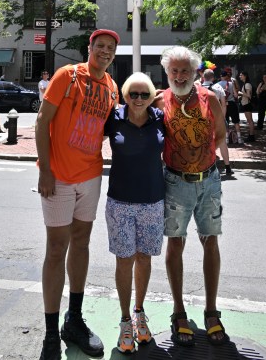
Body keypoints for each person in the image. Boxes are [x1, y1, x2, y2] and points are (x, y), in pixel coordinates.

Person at [35, 29, 120, 360]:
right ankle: (49, 334)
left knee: (82, 244)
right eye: (100, 46)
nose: (104, 51)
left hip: (90, 176)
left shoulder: (111, 87)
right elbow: (43, 121)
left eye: (110, 48)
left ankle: (74, 320)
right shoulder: (67, 76)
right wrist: (44, 169)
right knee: (56, 249)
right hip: (57, 178)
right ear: (90, 48)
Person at [154, 46, 228, 347]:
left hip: (208, 180)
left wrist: (216, 160)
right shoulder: (159, 101)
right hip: (175, 181)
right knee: (175, 243)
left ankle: (211, 311)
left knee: (210, 240)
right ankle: (179, 311)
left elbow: (220, 134)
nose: (180, 75)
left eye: (185, 70)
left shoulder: (210, 99)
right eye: (175, 71)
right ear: (167, 72)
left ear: (196, 72)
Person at [104, 72, 165, 353]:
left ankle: (140, 313)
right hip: (120, 202)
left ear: (151, 96)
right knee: (124, 260)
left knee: (144, 258)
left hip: (152, 201)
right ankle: (125, 320)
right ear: (125, 96)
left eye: (144, 94)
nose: (138, 99)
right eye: (133, 94)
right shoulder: (113, 118)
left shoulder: (160, 118)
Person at [202, 69, 233, 176]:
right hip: (217, 119)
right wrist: (222, 119)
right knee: (222, 142)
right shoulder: (218, 87)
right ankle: (228, 167)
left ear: (203, 77)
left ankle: (206, 166)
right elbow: (224, 105)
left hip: (203, 120)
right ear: (213, 78)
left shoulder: (197, 89)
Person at [217, 69, 242, 145]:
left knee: (225, 121)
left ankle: (227, 139)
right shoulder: (231, 84)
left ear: (221, 76)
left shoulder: (217, 85)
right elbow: (236, 95)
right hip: (232, 104)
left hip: (223, 105)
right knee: (236, 121)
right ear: (226, 76)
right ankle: (239, 138)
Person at [238, 71, 256, 142]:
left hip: (247, 104)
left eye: (241, 75)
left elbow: (249, 96)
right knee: (249, 120)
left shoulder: (247, 84)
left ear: (245, 76)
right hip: (245, 104)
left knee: (250, 121)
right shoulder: (245, 84)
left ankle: (251, 136)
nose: (240, 76)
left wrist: (241, 93)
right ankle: (251, 135)